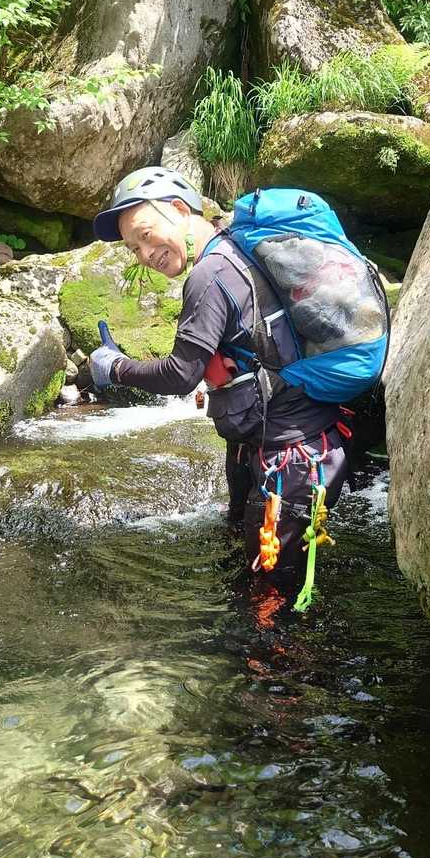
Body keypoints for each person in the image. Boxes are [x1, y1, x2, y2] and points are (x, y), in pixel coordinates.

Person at [88, 166, 375, 583]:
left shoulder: (210, 275)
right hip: (287, 446)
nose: (145, 254)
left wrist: (114, 367)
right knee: (248, 572)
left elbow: (179, 375)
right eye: (134, 248)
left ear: (179, 208)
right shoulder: (233, 248)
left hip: (289, 460)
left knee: (268, 600)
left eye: (146, 235)